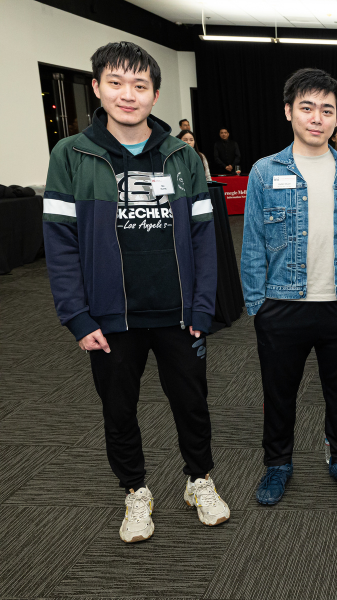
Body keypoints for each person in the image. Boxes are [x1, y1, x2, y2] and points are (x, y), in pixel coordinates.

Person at [42, 41, 229, 544]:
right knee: (118, 409)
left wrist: (203, 306)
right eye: (117, 83)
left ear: (155, 93)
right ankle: (135, 491)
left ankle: (199, 481)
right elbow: (59, 246)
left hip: (178, 314)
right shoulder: (71, 155)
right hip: (109, 318)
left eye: (140, 86)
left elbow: (204, 241)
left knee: (192, 403)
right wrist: (78, 319)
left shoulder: (182, 157)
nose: (129, 95)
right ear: (98, 88)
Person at [241, 68, 337, 504]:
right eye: (307, 108)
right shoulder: (265, 173)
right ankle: (277, 465)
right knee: (279, 394)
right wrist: (257, 306)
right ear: (288, 112)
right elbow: (253, 245)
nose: (316, 118)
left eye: (327, 110)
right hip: (283, 304)